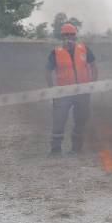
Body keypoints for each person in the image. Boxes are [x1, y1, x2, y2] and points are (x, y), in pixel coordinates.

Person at [45, 23, 98, 155]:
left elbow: (93, 66)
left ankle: (77, 148)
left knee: (81, 119)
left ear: (75, 36)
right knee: (59, 120)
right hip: (63, 93)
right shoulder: (55, 53)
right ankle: (56, 148)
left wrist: (92, 84)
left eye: (71, 35)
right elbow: (47, 71)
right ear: (61, 37)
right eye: (66, 35)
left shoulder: (84, 49)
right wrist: (52, 90)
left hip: (82, 92)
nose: (69, 37)